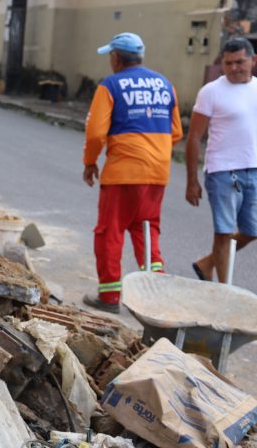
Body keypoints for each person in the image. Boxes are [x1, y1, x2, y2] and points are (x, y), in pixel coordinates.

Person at [82, 32, 183, 313]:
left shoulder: (110, 85)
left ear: (116, 58)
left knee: (110, 232)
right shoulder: (165, 84)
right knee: (146, 230)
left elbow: (95, 133)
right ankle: (155, 296)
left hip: (123, 172)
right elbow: (176, 132)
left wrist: (90, 162)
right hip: (157, 173)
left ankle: (109, 296)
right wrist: (153, 150)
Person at [186, 38, 257, 283]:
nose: (234, 68)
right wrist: (192, 181)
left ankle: (207, 264)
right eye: (228, 63)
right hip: (223, 172)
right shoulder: (211, 91)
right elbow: (194, 137)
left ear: (253, 60)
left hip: (253, 170)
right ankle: (223, 290)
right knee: (224, 233)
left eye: (240, 62)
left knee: (252, 230)